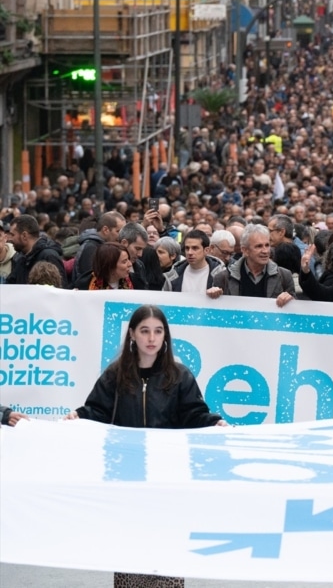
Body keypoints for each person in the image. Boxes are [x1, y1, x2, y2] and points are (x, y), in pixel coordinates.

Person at [66, 304, 228, 588]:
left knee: (167, 550)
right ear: (132, 335)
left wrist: (213, 423)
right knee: (130, 552)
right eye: (144, 331)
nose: (151, 338)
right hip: (127, 478)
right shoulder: (115, 375)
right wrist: (79, 416)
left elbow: (194, 414)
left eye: (158, 331)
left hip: (168, 478)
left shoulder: (179, 376)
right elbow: (96, 411)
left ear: (165, 336)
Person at [211, 223, 296, 307]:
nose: (265, 251)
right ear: (245, 250)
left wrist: (290, 300)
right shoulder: (223, 278)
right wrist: (211, 297)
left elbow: (293, 311)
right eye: (259, 246)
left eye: (267, 245)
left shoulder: (284, 276)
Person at [162, 230, 226, 295]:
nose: (190, 252)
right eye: (187, 248)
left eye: (195, 248)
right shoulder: (173, 276)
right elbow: (164, 301)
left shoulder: (220, 274)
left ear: (206, 250)